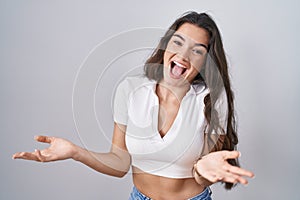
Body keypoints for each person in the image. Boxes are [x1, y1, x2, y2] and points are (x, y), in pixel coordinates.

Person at [13, 12, 254, 200]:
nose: (184, 55)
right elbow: (119, 163)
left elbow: (200, 178)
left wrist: (204, 168)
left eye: (197, 51)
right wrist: (75, 152)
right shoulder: (130, 89)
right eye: (178, 42)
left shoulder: (213, 99)